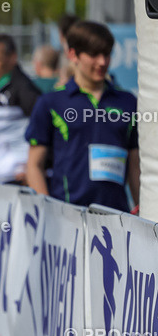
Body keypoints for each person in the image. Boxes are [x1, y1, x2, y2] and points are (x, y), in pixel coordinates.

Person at [25, 21, 139, 211]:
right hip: (68, 217)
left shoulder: (128, 102)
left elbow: (135, 165)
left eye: (107, 54)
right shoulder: (51, 102)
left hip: (117, 219)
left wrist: (143, 212)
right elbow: (34, 165)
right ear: (73, 55)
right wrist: (47, 211)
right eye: (94, 55)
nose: (102, 62)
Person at [0, 34, 41, 185]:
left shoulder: (25, 89)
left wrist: (32, 168)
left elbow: (45, 130)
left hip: (15, 180)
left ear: (12, 57)